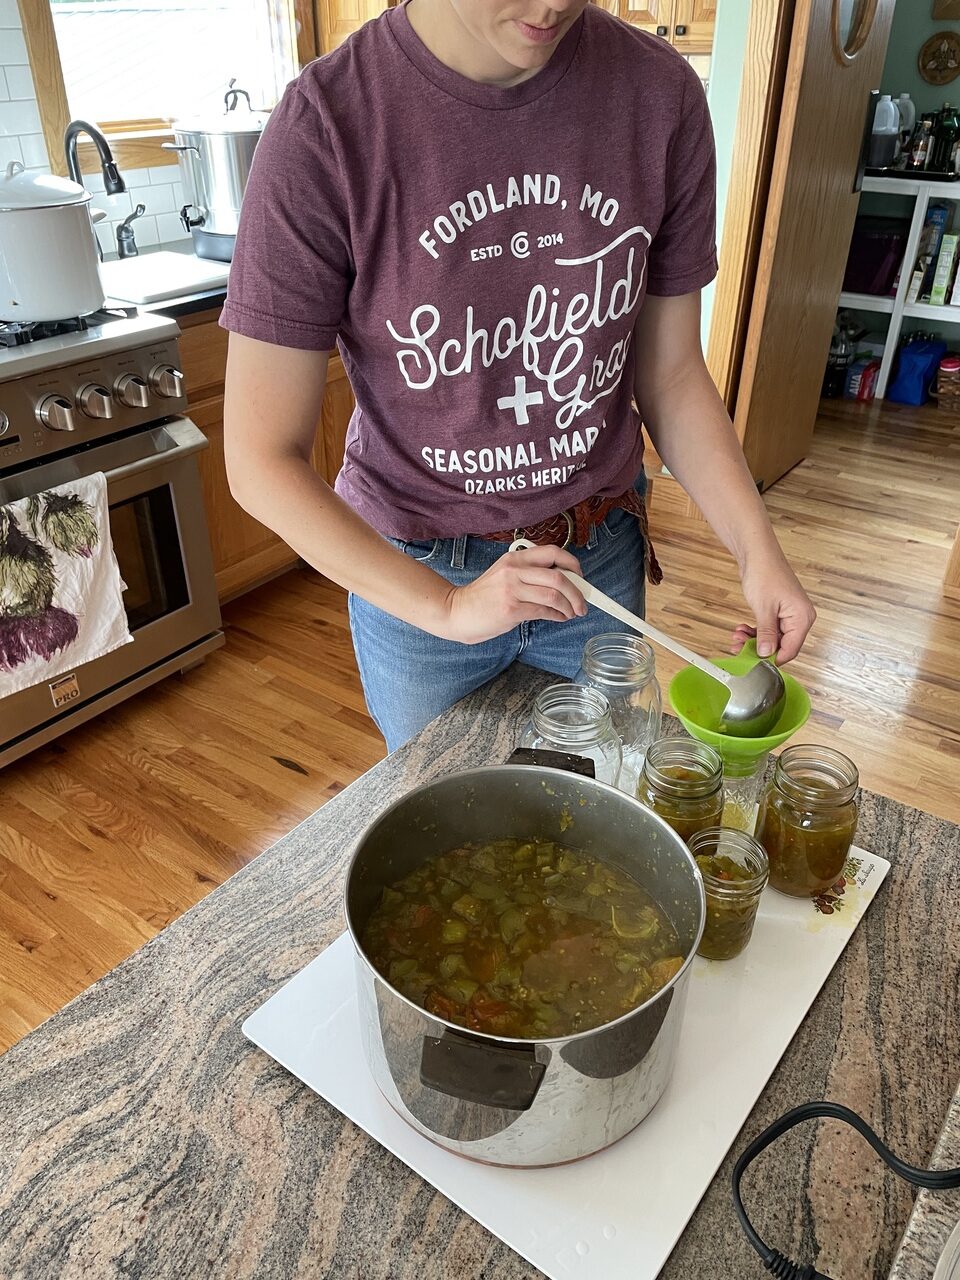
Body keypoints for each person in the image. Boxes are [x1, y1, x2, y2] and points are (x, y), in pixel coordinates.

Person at [221, 0, 816, 752]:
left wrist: (757, 550)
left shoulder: (659, 96)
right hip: (418, 571)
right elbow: (259, 458)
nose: (552, 6)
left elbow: (668, 376)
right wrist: (445, 609)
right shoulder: (327, 125)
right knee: (453, 833)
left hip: (598, 557)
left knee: (593, 808)